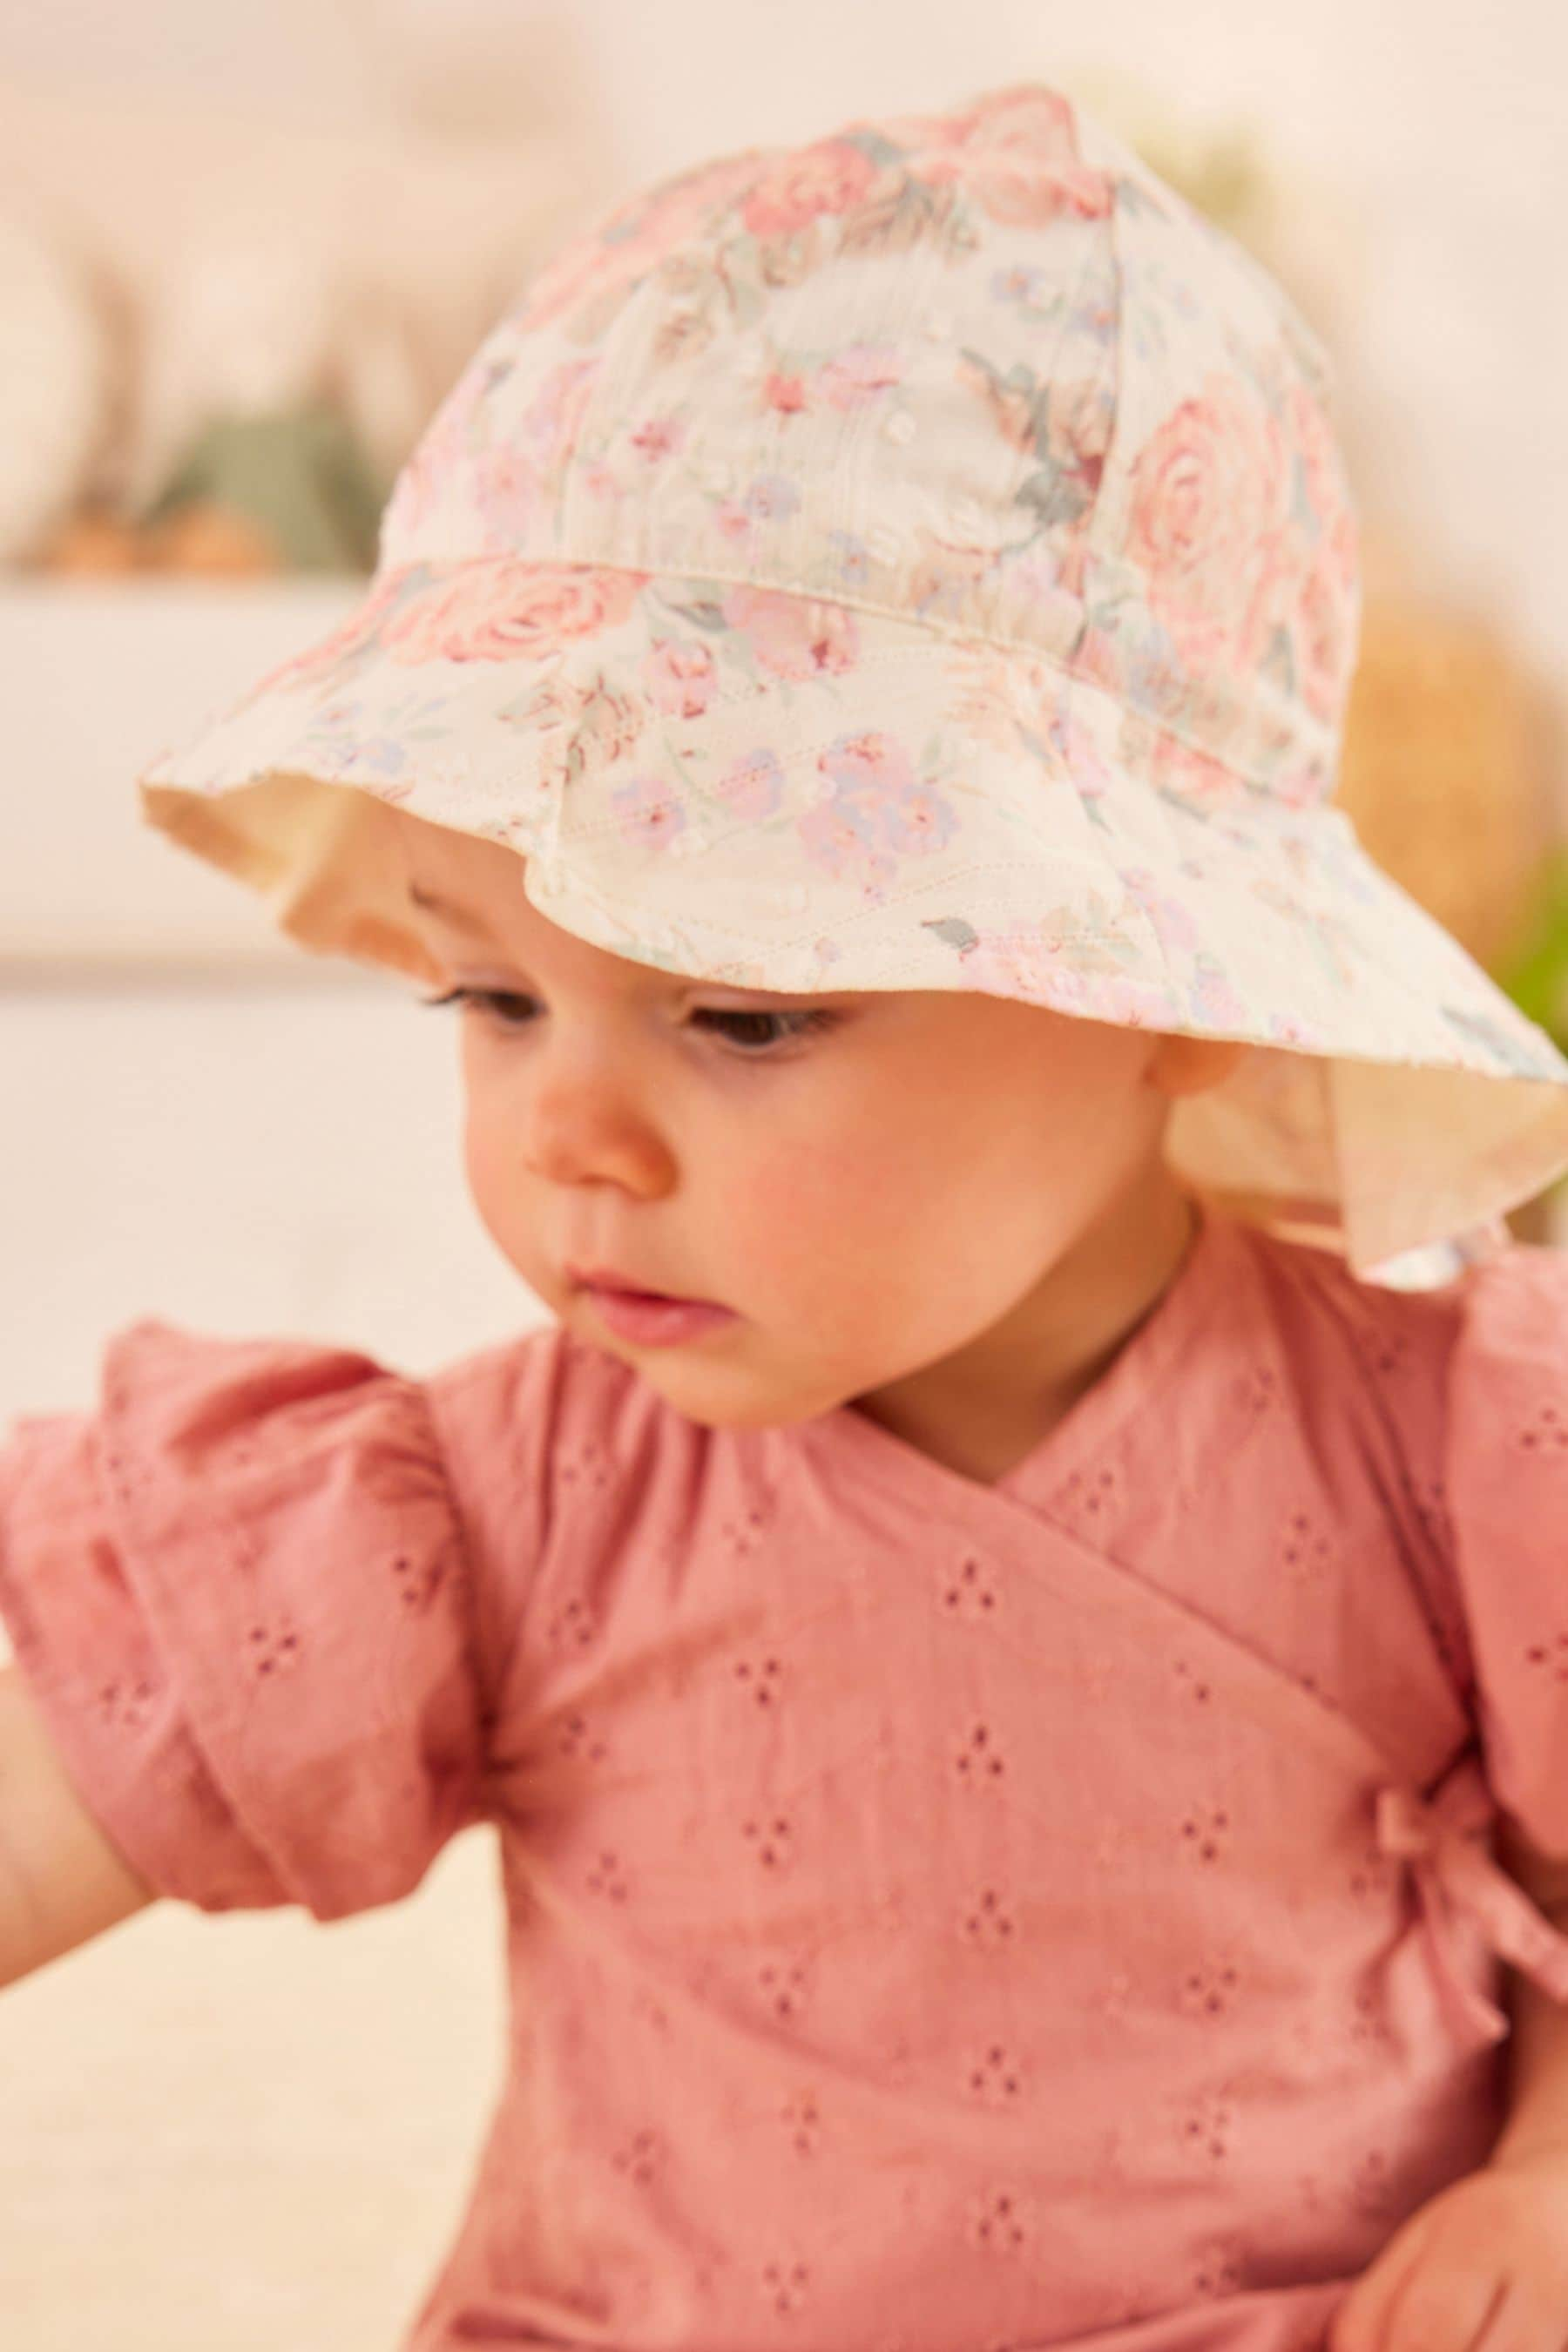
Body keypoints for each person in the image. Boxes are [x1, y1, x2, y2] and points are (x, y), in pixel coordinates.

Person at [6, 78, 1568, 2352]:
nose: (574, 1137)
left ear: (1171, 996)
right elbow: (95, 1744)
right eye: (494, 992)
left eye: (739, 1014)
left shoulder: (1456, 1452)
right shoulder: (509, 1498)